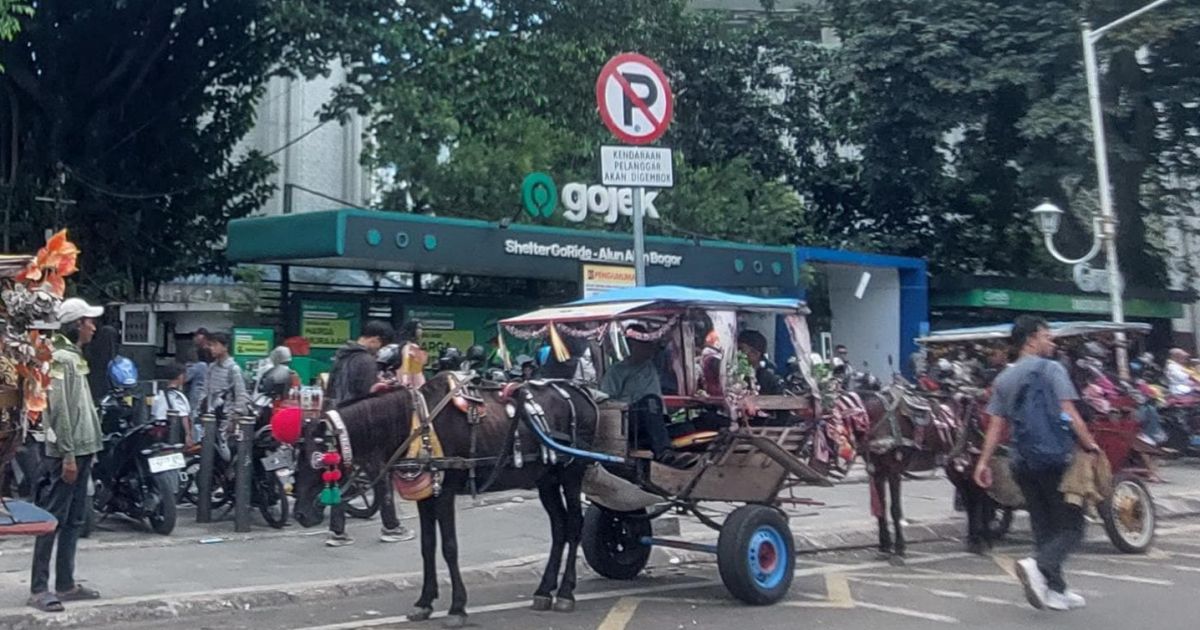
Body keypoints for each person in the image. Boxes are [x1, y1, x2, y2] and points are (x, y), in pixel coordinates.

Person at [973, 315, 1100, 612]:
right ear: (1031, 339)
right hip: (1054, 458)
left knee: (1043, 526)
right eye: (1047, 336)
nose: (1051, 342)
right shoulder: (1051, 369)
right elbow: (1068, 412)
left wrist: (983, 462)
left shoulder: (1004, 378)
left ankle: (1057, 591)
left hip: (1021, 461)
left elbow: (995, 425)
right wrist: (1088, 443)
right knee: (1072, 527)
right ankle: (1038, 565)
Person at [29, 297, 106, 612]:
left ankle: (65, 583)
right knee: (52, 521)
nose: (93, 326)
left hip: (83, 451)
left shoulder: (72, 357)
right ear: (77, 324)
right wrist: (69, 456)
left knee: (74, 520)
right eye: (89, 320)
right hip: (67, 454)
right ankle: (38, 588)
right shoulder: (61, 358)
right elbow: (58, 411)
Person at [325, 320, 413, 548]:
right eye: (380, 344)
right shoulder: (364, 360)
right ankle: (391, 527)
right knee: (380, 474)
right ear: (374, 339)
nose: (379, 349)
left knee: (339, 477)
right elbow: (368, 399)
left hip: (337, 422)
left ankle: (337, 532)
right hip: (360, 426)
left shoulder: (341, 356)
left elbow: (330, 391)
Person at [600, 324, 671, 458]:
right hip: (629, 422)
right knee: (650, 401)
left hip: (655, 421)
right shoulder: (617, 371)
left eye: (648, 344)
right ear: (630, 347)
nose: (648, 348)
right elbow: (606, 400)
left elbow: (664, 344)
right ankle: (663, 452)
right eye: (642, 344)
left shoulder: (652, 364)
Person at [151, 364, 193, 448]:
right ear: (180, 376)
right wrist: (188, 435)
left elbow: (154, 413)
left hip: (159, 431)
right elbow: (184, 416)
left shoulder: (159, 394)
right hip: (174, 432)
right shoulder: (178, 396)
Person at [737, 330, 783, 395]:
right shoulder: (734, 377)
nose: (737, 353)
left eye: (740, 349)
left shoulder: (771, 382)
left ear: (755, 353)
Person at [395, 321, 428, 389]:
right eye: (418, 328)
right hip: (414, 385)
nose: (421, 331)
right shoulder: (412, 347)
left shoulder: (403, 346)